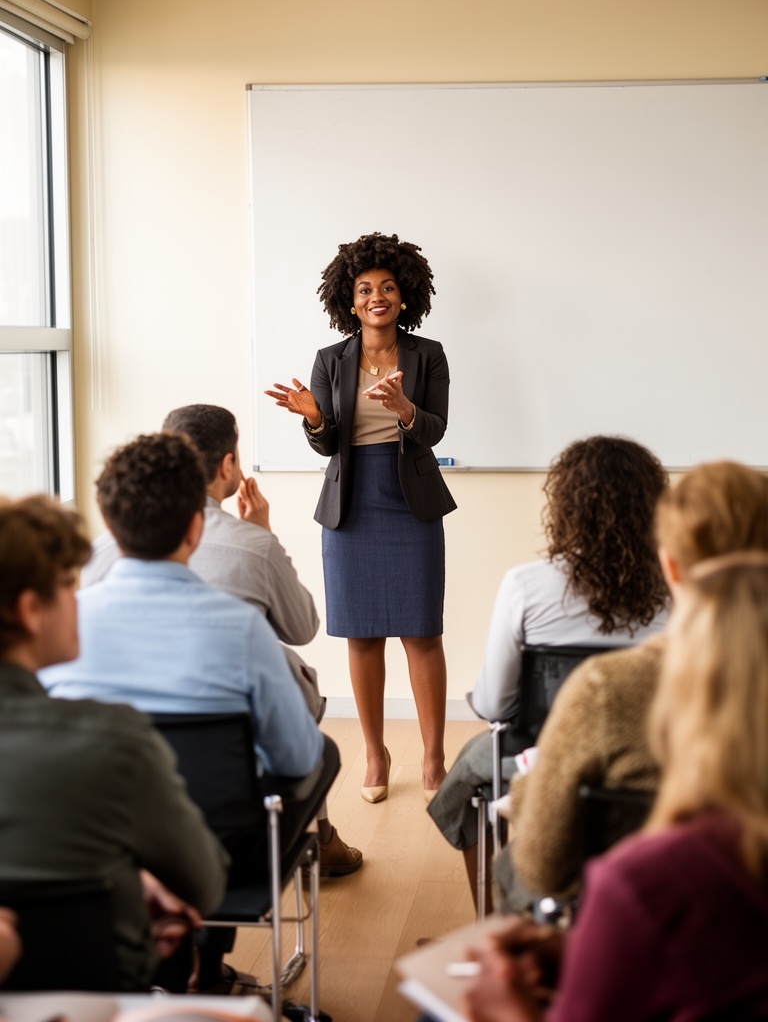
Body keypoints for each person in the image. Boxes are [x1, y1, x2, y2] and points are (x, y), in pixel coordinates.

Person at [41, 432, 333, 990]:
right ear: (196, 528)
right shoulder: (241, 629)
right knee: (319, 752)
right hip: (222, 857)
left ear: (107, 522)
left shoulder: (65, 622)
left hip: (88, 848)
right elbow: (296, 760)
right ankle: (203, 964)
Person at [461, 551, 768, 1022]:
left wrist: (507, 1009)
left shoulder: (643, 886)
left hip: (542, 765)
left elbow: (494, 705)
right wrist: (588, 948)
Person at [81, 403, 361, 877]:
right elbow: (302, 631)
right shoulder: (244, 581)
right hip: (233, 823)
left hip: (111, 823)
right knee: (305, 727)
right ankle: (320, 840)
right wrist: (263, 537)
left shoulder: (83, 597)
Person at [505, 460, 768, 907]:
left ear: (670, 566)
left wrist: (532, 786)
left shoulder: (607, 688)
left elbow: (541, 866)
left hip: (635, 925)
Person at [427, 436, 669, 911]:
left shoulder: (527, 585)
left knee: (464, 784)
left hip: (540, 752)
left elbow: (495, 706)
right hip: (659, 758)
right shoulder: (677, 588)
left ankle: (495, 922)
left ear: (566, 506)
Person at [0, 495, 228, 991]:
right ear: (30, 610)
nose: (78, 598)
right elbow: (206, 885)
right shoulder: (114, 740)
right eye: (67, 585)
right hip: (100, 994)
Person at [265, 232, 457, 801]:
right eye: (365, 289)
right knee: (363, 636)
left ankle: (433, 757)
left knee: (423, 633)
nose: (378, 296)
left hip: (411, 502)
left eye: (388, 287)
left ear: (406, 296)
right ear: (349, 301)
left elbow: (436, 429)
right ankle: (374, 754)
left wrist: (405, 411)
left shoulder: (429, 355)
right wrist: (314, 417)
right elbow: (326, 446)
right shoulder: (331, 360)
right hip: (352, 506)